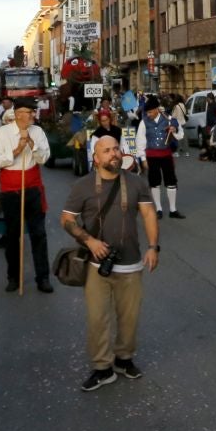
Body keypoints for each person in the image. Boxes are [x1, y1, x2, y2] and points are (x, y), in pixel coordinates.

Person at [60, 135, 161, 392]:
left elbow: (149, 213)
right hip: (96, 265)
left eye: (116, 148)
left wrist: (153, 247)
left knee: (129, 317)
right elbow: (67, 220)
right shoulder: (82, 186)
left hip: (131, 262)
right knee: (98, 319)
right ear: (96, 158)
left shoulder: (136, 182)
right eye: (106, 151)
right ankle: (102, 368)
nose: (113, 154)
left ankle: (124, 359)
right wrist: (90, 241)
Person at [0, 102, 53, 293]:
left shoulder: (38, 132)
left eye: (32, 111)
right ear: (18, 114)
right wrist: (17, 149)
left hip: (33, 186)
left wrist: (31, 144)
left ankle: (43, 277)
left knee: (38, 234)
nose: (32, 115)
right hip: (10, 190)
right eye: (28, 112)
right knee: (12, 235)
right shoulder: (3, 133)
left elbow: (45, 158)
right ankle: (13, 277)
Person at [136, 97, 183, 218]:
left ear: (157, 109)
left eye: (150, 112)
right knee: (154, 183)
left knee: (171, 182)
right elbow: (140, 141)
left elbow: (180, 135)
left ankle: (173, 210)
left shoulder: (169, 119)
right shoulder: (144, 122)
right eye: (147, 112)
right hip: (151, 156)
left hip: (166, 155)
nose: (148, 114)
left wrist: (174, 129)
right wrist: (143, 159)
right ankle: (158, 209)